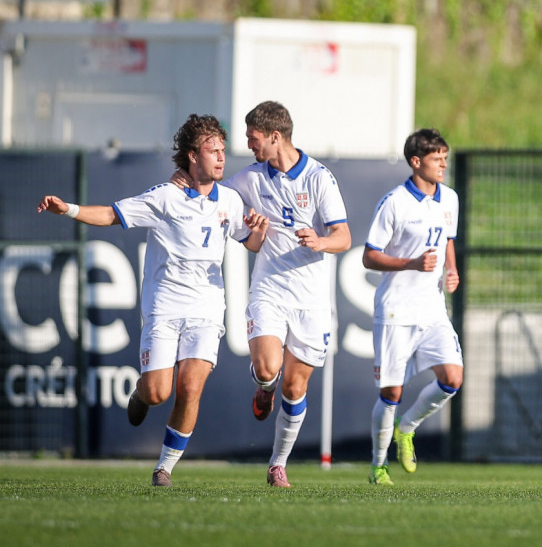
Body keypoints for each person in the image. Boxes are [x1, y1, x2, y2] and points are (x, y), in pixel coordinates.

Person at [37, 114, 268, 486]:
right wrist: (70, 209)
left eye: (224, 150)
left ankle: (164, 468)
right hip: (164, 306)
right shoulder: (165, 196)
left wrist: (257, 233)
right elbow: (113, 214)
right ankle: (141, 395)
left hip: (207, 308)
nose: (222, 158)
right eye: (213, 151)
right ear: (193, 156)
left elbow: (250, 242)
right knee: (159, 391)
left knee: (190, 387)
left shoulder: (230, 199)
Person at [173, 101, 351, 488]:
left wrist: (320, 242)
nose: (249, 146)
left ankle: (277, 463)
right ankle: (264, 387)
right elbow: (213, 192)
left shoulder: (320, 178)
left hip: (311, 299)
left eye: (254, 139)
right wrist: (183, 176)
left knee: (296, 386)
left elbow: (344, 237)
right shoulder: (251, 178)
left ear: (275, 136)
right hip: (269, 290)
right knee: (270, 369)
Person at [362, 129, 463, 486]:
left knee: (452, 379)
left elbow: (447, 240)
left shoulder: (449, 198)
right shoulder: (394, 203)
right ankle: (378, 467)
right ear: (416, 162)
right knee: (391, 392)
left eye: (445, 158)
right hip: (395, 310)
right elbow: (369, 256)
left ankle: (408, 429)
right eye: (437, 159)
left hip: (432, 308)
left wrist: (451, 270)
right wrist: (410, 263)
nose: (443, 165)